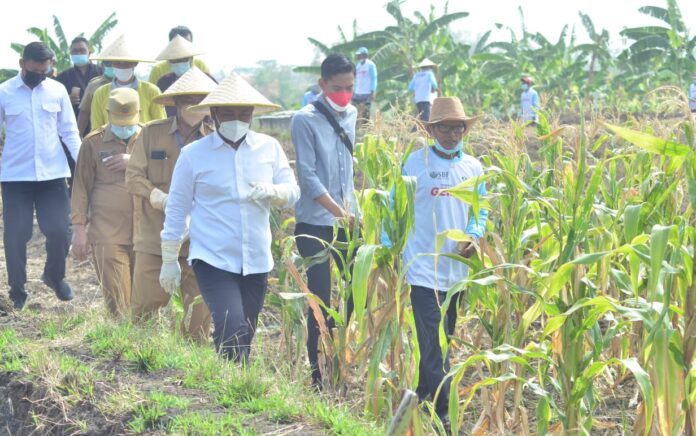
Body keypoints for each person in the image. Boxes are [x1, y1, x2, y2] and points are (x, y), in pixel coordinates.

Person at [159, 72, 298, 361]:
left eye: (244, 113)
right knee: (231, 325)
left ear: (252, 115)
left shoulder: (268, 148)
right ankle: (233, 386)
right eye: (229, 113)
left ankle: (233, 388)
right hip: (213, 257)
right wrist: (169, 259)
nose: (237, 119)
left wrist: (274, 192)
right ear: (214, 114)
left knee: (245, 329)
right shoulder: (194, 155)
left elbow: (292, 190)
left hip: (256, 258)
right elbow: (177, 208)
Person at [398, 96, 487, 423]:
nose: (452, 134)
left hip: (455, 272)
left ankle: (422, 402)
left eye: (458, 128)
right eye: (445, 128)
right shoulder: (415, 163)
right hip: (422, 268)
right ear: (432, 129)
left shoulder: (473, 167)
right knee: (435, 346)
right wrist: (386, 251)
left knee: (440, 342)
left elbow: (480, 211)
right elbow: (398, 206)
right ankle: (444, 417)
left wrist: (474, 236)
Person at [125, 68, 217, 340]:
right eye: (188, 100)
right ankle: (137, 362)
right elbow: (132, 176)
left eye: (200, 100)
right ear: (176, 104)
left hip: (199, 240)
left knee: (200, 312)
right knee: (143, 311)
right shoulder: (153, 133)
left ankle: (192, 370)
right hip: (155, 235)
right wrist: (157, 196)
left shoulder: (214, 139)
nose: (194, 106)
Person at [291, 54, 359, 386]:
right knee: (319, 298)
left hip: (348, 220)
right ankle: (318, 374)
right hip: (316, 223)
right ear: (322, 85)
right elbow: (308, 178)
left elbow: (348, 171)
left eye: (349, 87)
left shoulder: (353, 114)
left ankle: (341, 364)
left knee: (350, 295)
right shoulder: (303, 120)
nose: (344, 94)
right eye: (337, 88)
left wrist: (352, 214)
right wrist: (338, 212)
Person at [0, 42, 80, 310]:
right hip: (16, 177)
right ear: (22, 64)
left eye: (45, 71)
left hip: (52, 175)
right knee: (16, 235)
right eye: (35, 71)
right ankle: (17, 289)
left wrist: (82, 163)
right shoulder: (4, 93)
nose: (40, 76)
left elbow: (69, 131)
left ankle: (55, 276)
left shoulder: (57, 91)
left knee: (59, 230)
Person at [71, 88, 142, 316]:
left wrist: (134, 161)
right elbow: (80, 187)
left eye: (129, 120)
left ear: (139, 113)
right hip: (108, 231)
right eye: (119, 120)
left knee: (146, 303)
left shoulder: (151, 139)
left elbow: (169, 177)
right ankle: (122, 347)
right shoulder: (93, 143)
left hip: (147, 233)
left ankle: (148, 348)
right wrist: (79, 229)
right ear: (108, 113)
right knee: (118, 302)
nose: (124, 126)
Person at [56, 37, 105, 193]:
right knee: (75, 169)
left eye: (82, 50)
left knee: (99, 168)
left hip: (98, 126)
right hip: (72, 129)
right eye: (75, 51)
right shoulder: (63, 78)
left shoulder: (101, 73)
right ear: (70, 53)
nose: (78, 53)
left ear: (89, 52)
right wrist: (67, 100)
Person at [90, 35, 166, 132]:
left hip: (144, 144)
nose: (122, 66)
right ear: (111, 63)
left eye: (127, 62)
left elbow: (160, 125)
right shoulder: (100, 93)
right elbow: (96, 128)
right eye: (118, 63)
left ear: (135, 63)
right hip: (110, 145)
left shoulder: (152, 91)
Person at [153, 35, 210, 117]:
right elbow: (159, 107)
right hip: (172, 125)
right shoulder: (164, 82)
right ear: (169, 61)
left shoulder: (205, 79)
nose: (179, 63)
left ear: (191, 59)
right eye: (174, 60)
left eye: (183, 59)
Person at [77, 62, 114, 137]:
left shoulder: (135, 84)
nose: (113, 66)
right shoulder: (95, 84)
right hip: (101, 134)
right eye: (109, 63)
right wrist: (79, 135)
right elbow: (84, 111)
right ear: (103, 65)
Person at [352, 47, 377, 126]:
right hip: (357, 93)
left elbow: (374, 78)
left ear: (365, 56)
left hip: (367, 93)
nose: (358, 57)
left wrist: (372, 91)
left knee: (366, 113)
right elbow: (355, 79)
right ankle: (356, 127)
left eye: (360, 55)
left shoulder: (370, 65)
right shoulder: (358, 66)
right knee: (354, 111)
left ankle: (365, 129)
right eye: (358, 55)